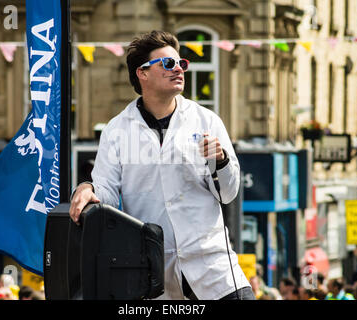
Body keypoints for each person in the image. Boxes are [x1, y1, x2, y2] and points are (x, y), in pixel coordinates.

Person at [69, 30, 253, 300]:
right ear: (142, 73)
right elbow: (106, 191)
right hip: (153, 267)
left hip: (211, 263)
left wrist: (221, 161)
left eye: (181, 64)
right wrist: (87, 187)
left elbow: (228, 193)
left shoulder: (207, 120)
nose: (178, 69)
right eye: (168, 64)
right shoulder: (117, 130)